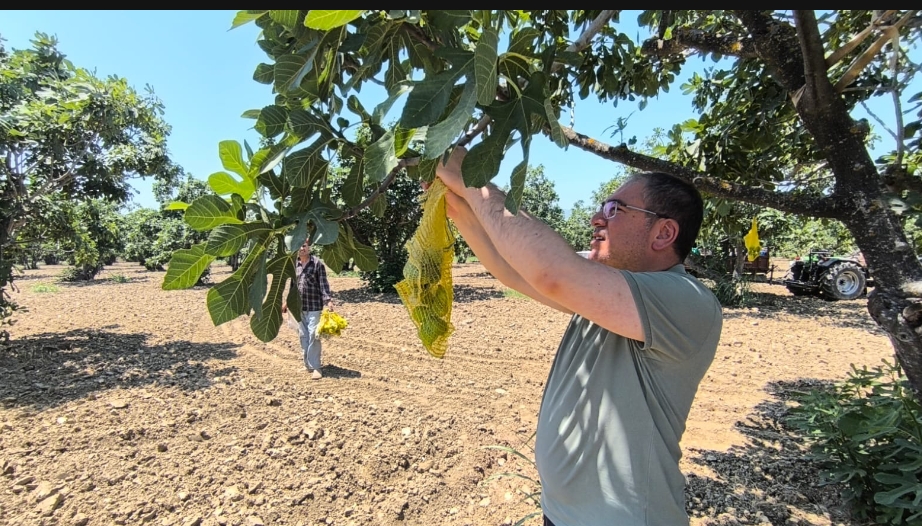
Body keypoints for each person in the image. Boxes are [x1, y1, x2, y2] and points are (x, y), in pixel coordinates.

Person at [434, 147, 723, 526]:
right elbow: (514, 271)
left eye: (614, 210)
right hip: (562, 515)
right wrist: (458, 205)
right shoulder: (610, 295)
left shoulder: (686, 300)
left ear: (664, 232)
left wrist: (471, 178)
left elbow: (552, 272)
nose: (596, 218)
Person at [282, 238, 333, 380]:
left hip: (314, 306)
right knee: (303, 335)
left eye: (304, 246)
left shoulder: (317, 264)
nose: (301, 248)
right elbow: (293, 285)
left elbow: (324, 284)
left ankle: (316, 367)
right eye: (298, 246)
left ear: (309, 247)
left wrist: (328, 301)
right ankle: (308, 365)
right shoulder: (294, 264)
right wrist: (287, 303)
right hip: (299, 306)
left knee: (313, 335)